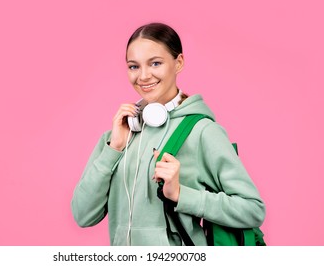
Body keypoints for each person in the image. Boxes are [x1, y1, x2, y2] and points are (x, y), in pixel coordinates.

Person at [71, 22, 265, 246]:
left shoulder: (201, 132)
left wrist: (182, 195)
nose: (143, 76)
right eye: (134, 66)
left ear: (178, 62)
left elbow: (253, 209)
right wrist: (113, 150)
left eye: (155, 63)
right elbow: (83, 215)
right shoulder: (119, 135)